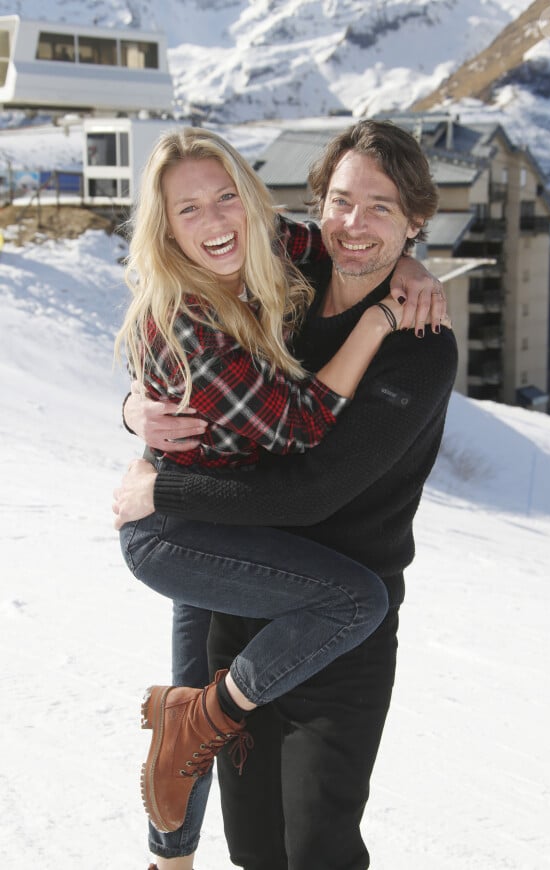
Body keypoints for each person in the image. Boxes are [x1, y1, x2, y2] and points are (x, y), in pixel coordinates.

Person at [112, 124, 447, 869]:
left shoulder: (382, 320)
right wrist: (136, 416)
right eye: (341, 201)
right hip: (220, 557)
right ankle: (173, 848)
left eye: (226, 197)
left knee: (294, 826)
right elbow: (267, 417)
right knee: (240, 812)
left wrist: (410, 275)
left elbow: (311, 488)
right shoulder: (236, 300)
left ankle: (171, 839)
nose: (354, 224)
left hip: (297, 581)